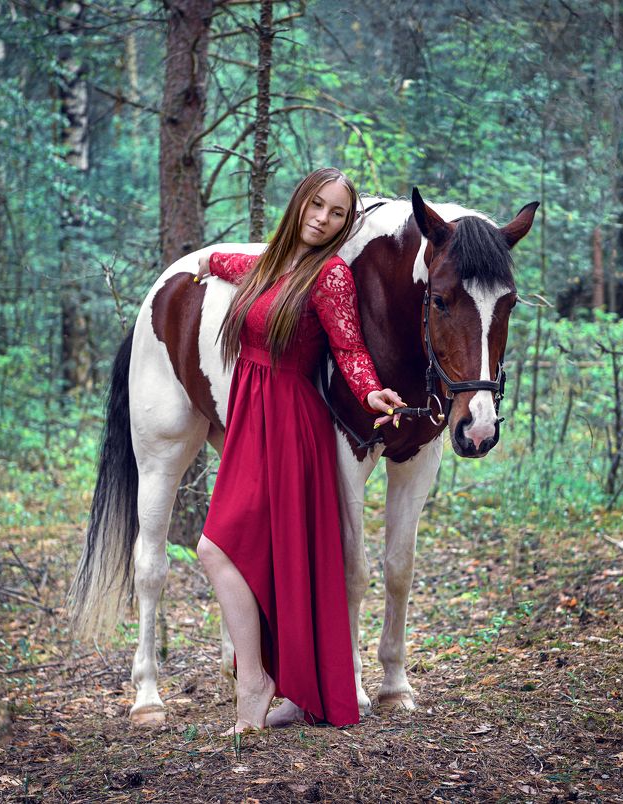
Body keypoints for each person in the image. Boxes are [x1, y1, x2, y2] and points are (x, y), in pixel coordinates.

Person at [193, 167, 404, 733]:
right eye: (317, 205)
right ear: (299, 203)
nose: (323, 219)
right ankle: (289, 686)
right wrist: (203, 261)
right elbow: (230, 264)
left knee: (216, 548)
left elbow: (349, 348)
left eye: (337, 213)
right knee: (256, 553)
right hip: (250, 416)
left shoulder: (329, 276)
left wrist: (371, 391)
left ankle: (255, 681)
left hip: (288, 422)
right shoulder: (268, 263)